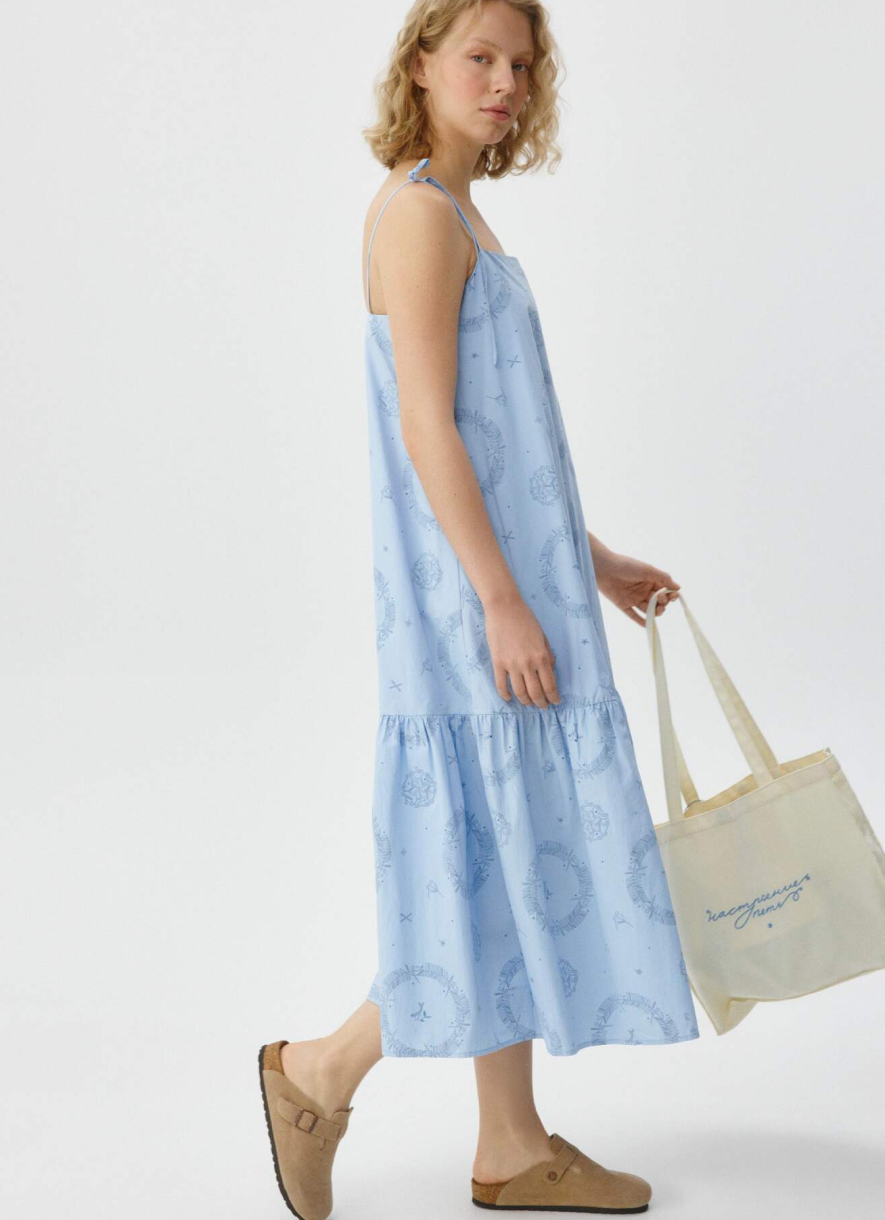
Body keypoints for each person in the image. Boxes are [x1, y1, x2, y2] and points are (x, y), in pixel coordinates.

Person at [258, 2, 698, 1216]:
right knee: (491, 852)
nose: (505, 82)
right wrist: (502, 597)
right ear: (421, 65)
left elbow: (504, 440)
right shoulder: (416, 214)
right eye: (480, 58)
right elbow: (426, 425)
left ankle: (507, 1139)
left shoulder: (456, 210)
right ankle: (319, 1070)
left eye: (521, 64)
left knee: (506, 855)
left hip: (511, 582)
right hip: (469, 600)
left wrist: (592, 561)